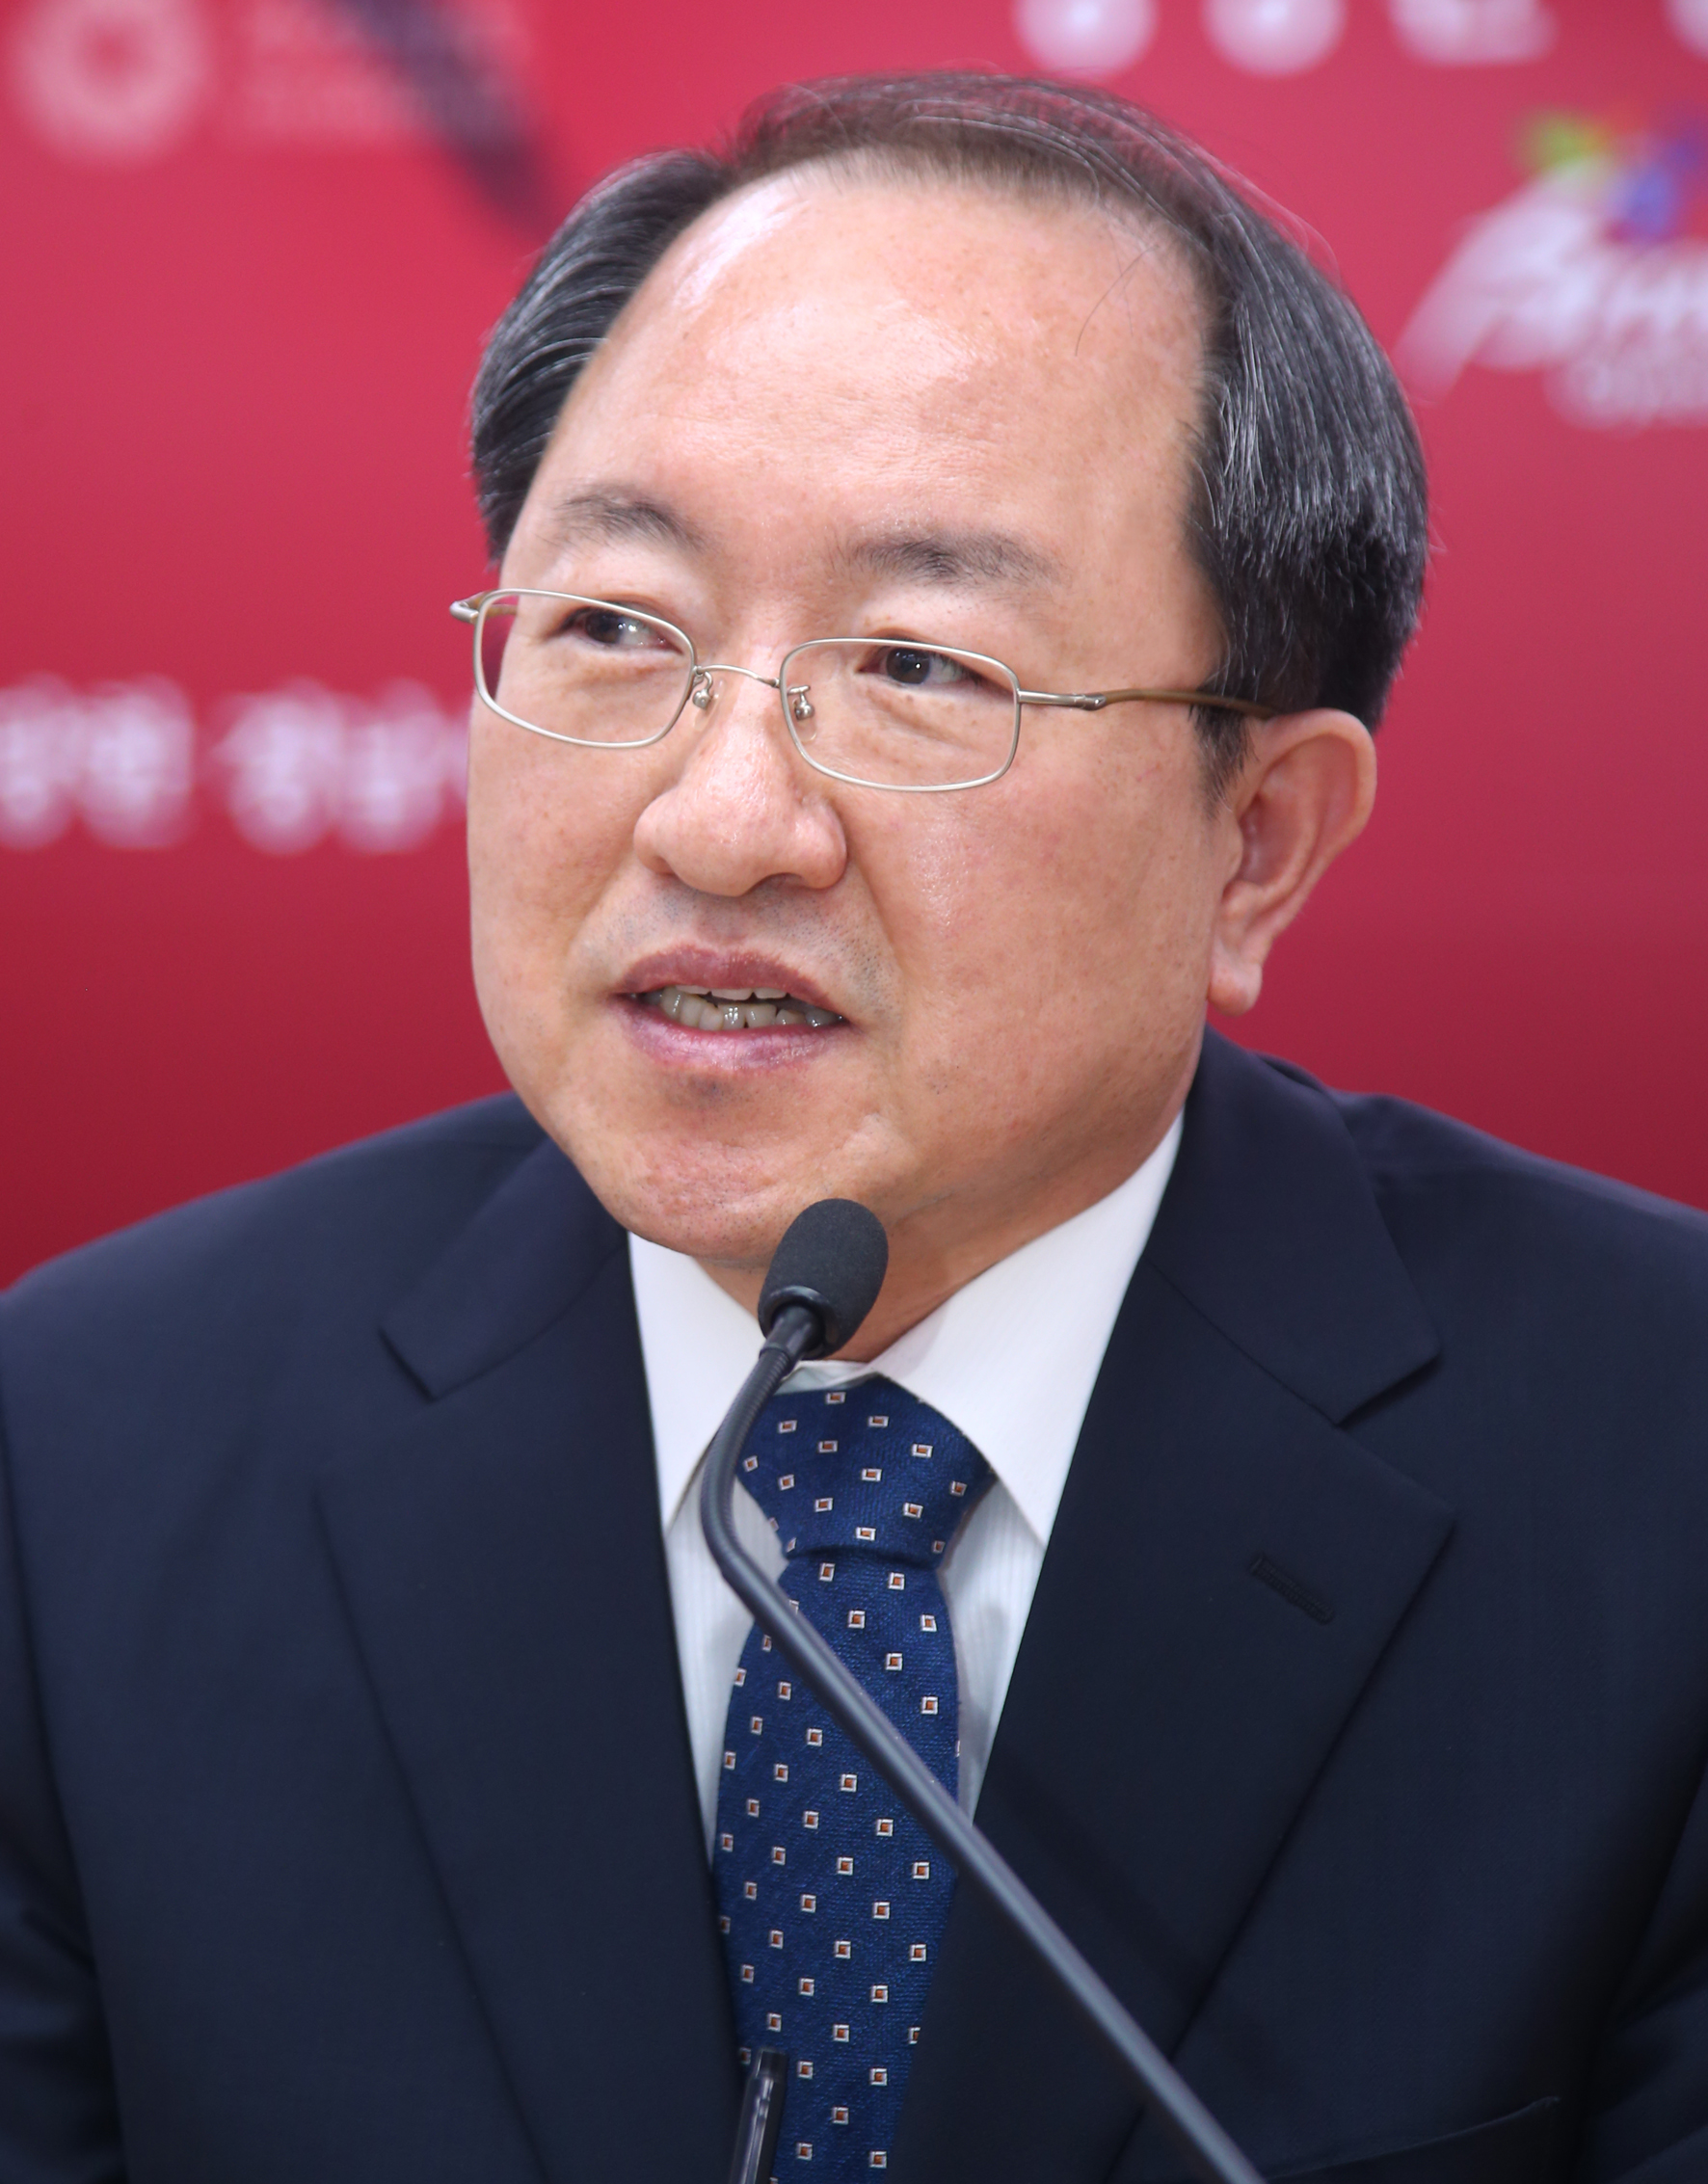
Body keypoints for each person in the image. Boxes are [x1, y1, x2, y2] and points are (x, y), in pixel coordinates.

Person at [2, 70, 1706, 2184]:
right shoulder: (84, 1462)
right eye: (613, 628)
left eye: (918, 666)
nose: (720, 818)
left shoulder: (1659, 1475)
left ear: (1259, 838)